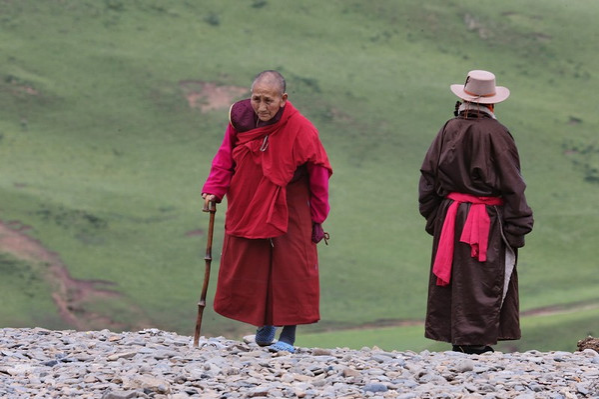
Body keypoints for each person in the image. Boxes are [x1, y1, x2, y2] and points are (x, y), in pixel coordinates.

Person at [201, 70, 332, 353]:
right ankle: (265, 324)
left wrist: (318, 218)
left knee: (291, 267)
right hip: (249, 201)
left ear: (283, 99)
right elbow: (226, 156)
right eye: (256, 99)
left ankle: (288, 336)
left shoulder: (302, 129)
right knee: (255, 262)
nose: (261, 107)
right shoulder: (241, 119)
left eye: (269, 101)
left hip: (292, 206)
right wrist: (214, 188)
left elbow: (319, 175)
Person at [418, 70, 534, 354]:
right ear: (492, 104)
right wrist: (518, 226)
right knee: (484, 278)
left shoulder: (448, 128)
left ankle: (460, 342)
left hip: (450, 216)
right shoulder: (498, 133)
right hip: (487, 219)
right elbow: (512, 184)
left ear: (463, 100)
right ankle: (476, 345)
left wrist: (438, 217)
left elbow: (428, 179)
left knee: (456, 277)